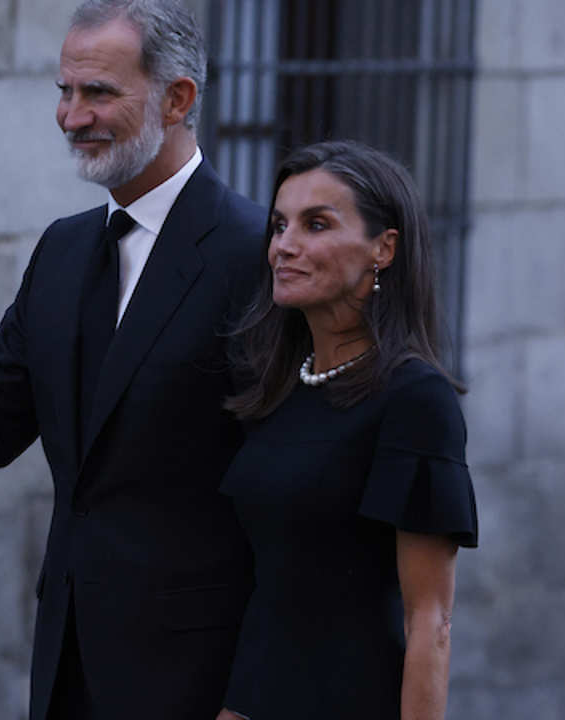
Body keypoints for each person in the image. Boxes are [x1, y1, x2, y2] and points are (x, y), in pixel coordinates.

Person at [0, 2, 266, 719]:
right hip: (69, 670)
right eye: (64, 92)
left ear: (179, 98)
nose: (70, 117)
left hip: (202, 683)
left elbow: (286, 503)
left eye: (97, 93)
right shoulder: (62, 251)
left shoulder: (252, 256)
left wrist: (251, 698)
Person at [216, 140, 478, 720]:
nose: (284, 246)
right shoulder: (278, 386)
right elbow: (276, 592)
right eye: (280, 225)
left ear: (383, 248)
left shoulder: (415, 399)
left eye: (316, 225)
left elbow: (428, 621)